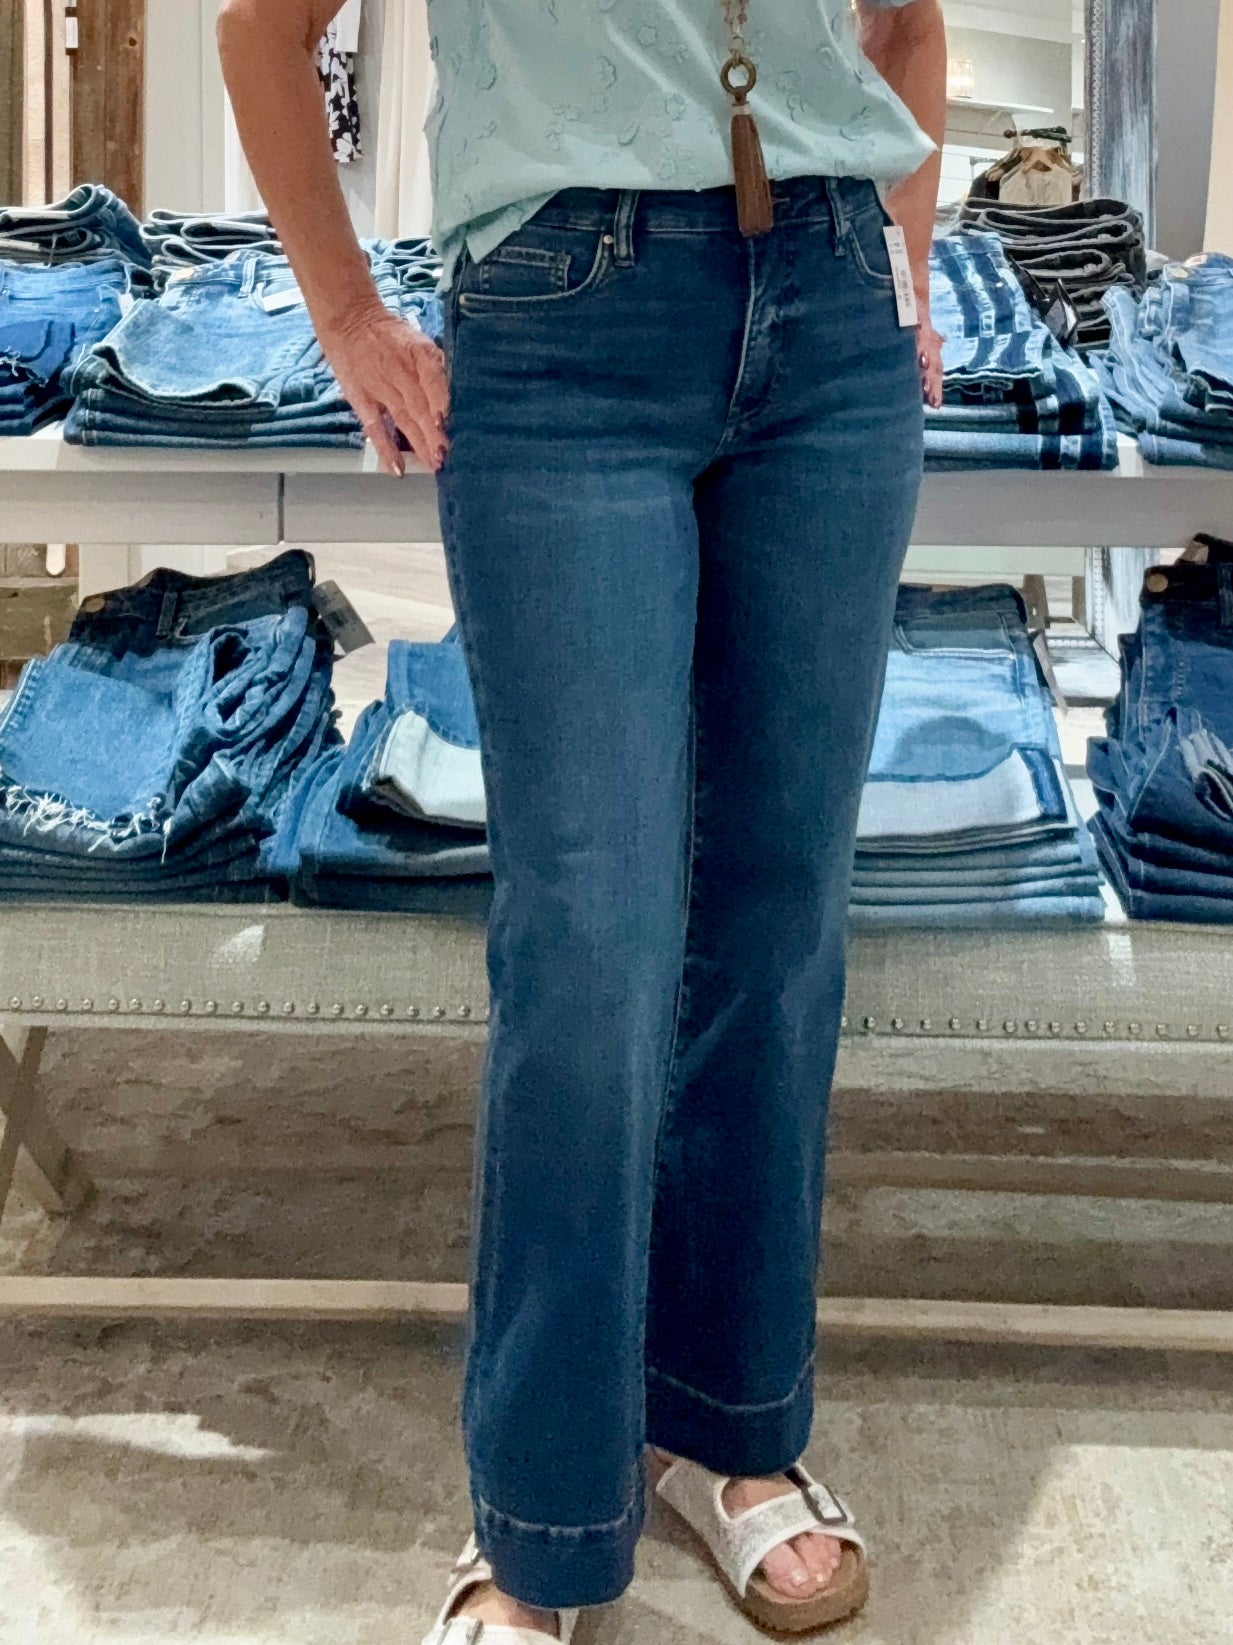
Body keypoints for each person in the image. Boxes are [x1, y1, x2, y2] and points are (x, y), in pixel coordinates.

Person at [219, 0, 946, 1636]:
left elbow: (905, 25)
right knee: (591, 939)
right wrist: (346, 314)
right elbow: (265, 30)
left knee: (777, 920)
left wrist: (903, 268)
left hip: (833, 317)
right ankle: (540, 1512)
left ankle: (728, 1425)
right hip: (563, 319)